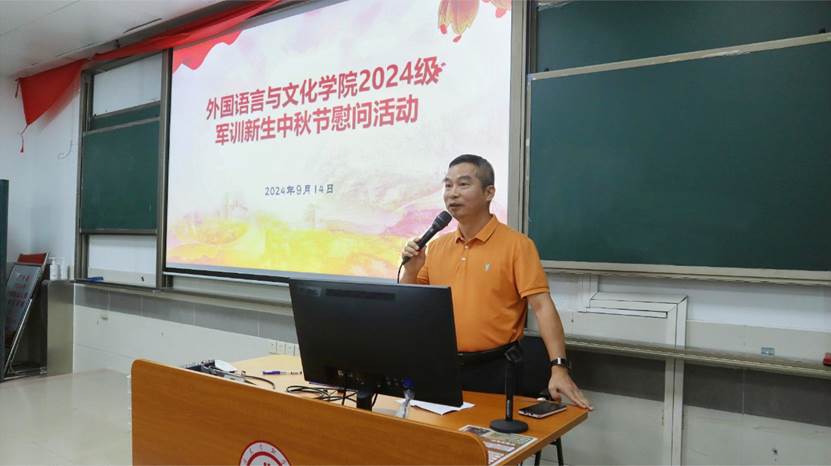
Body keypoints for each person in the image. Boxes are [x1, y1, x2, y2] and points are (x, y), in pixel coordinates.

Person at [400, 154, 592, 409]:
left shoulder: (517, 245)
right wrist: (411, 271)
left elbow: (542, 307)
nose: (453, 193)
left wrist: (559, 368)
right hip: (443, 365)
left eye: (463, 184)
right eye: (448, 185)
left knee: (488, 434)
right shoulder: (435, 247)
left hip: (497, 369)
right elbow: (412, 305)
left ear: (489, 192)